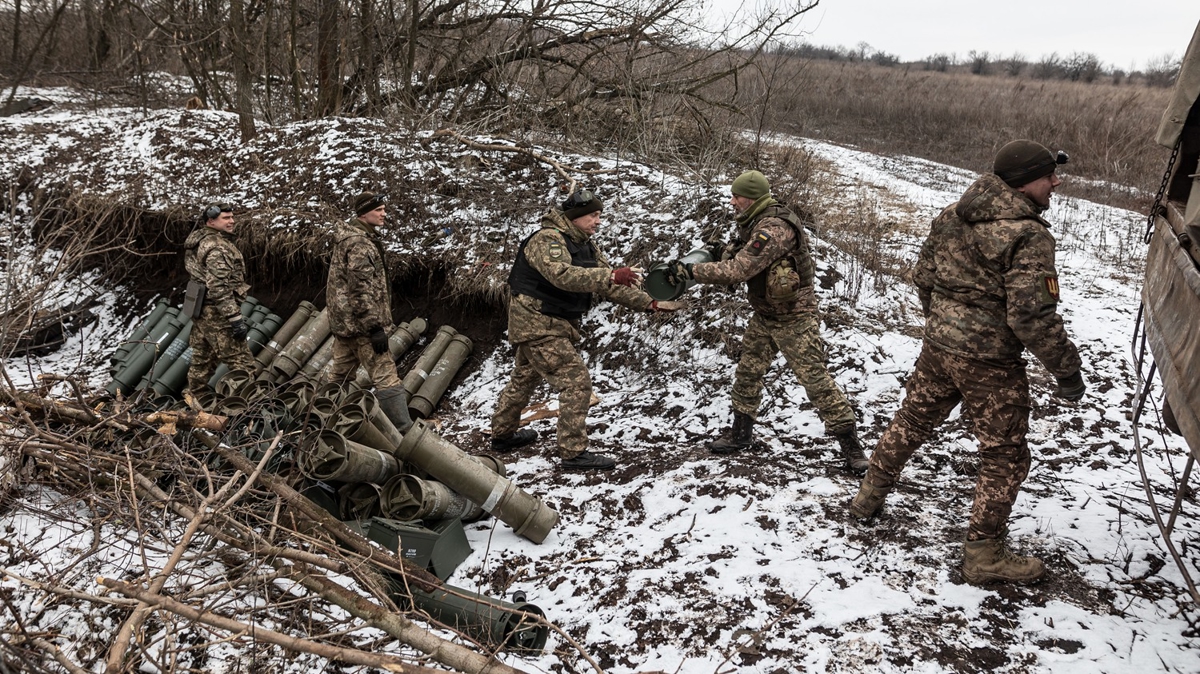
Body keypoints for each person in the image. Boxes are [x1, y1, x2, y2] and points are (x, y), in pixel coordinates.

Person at [849, 140, 1085, 585]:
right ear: (1022, 182)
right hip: (991, 364)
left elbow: (923, 277)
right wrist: (1066, 371)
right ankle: (983, 555)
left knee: (912, 420)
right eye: (1048, 175)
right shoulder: (1028, 235)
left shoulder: (952, 214)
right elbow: (1031, 316)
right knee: (1005, 455)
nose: (1056, 182)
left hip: (939, 347)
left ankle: (867, 499)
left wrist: (944, 324)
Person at [663, 171, 868, 472]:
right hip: (766, 314)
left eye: (737, 197)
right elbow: (744, 256)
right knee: (748, 372)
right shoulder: (755, 222)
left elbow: (738, 271)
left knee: (815, 381)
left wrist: (692, 273)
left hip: (795, 317)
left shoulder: (774, 227)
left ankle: (853, 449)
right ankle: (740, 435)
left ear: (753, 197)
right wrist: (720, 251)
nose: (732, 202)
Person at [491, 189, 682, 470]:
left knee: (524, 379)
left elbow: (608, 283)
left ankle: (503, 436)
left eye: (599, 215)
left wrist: (650, 303)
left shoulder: (585, 245)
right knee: (576, 383)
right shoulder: (548, 239)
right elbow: (562, 275)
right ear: (576, 217)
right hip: (538, 323)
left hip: (549, 323)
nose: (598, 221)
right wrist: (611, 274)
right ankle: (573, 453)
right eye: (593, 215)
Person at [323, 191, 413, 434]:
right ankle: (404, 432)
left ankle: (320, 420)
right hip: (362, 327)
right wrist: (374, 327)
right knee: (386, 376)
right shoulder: (360, 244)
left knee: (339, 377)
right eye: (378, 210)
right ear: (364, 213)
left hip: (345, 326)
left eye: (384, 209)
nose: (384, 214)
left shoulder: (348, 237)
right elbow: (360, 290)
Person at [183, 204, 255, 395]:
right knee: (242, 363)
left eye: (232, 217)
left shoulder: (199, 239)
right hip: (216, 312)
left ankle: (195, 400)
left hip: (200, 309)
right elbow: (218, 287)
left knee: (202, 360)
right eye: (226, 218)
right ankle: (248, 407)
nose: (231, 221)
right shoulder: (217, 247)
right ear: (211, 221)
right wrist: (234, 318)